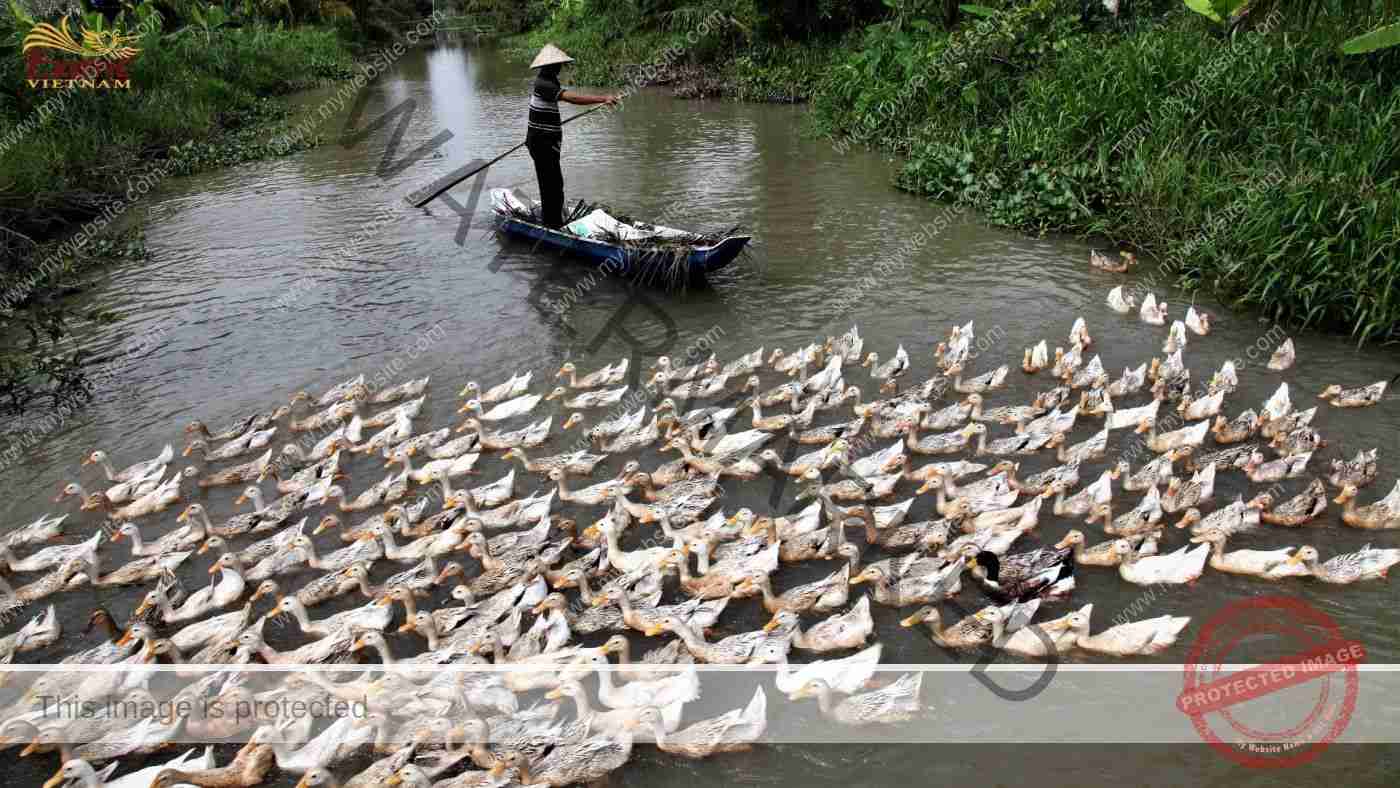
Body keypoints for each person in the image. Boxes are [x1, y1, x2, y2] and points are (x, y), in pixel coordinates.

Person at [526, 44, 619, 229]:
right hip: (541, 143)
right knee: (551, 185)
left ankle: (553, 219)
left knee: (554, 184)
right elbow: (572, 98)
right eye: (558, 64)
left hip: (546, 141)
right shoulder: (543, 84)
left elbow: (551, 106)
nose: (561, 67)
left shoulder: (550, 81)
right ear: (550, 66)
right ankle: (552, 225)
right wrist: (602, 99)